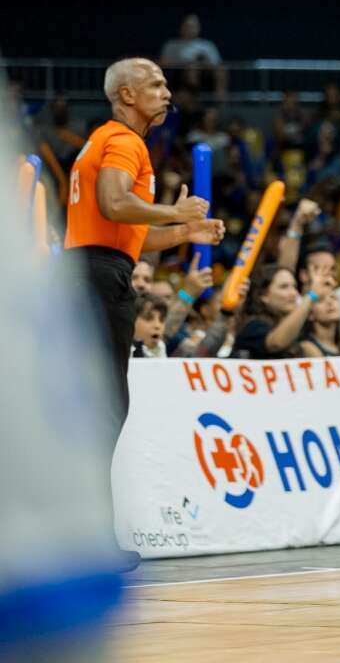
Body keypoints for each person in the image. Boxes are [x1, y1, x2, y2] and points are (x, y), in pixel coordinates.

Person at [63, 57, 225, 569]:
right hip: (97, 277)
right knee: (105, 409)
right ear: (126, 95)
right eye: (155, 84)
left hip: (89, 268)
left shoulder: (111, 142)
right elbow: (114, 204)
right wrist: (176, 212)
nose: (167, 92)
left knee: (95, 410)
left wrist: (183, 232)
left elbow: (127, 234)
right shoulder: (123, 141)